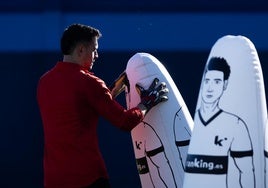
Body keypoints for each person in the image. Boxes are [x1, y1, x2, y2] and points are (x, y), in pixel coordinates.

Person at [37, 23, 168, 188]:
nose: (97, 56)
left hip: (54, 179)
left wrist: (112, 90)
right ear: (81, 50)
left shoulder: (44, 83)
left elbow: (78, 107)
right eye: (94, 50)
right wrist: (147, 102)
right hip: (88, 178)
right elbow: (124, 122)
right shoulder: (89, 83)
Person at [184, 57, 255, 188]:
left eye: (217, 82)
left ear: (225, 84)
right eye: (207, 81)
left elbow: (247, 173)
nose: (210, 88)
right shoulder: (188, 121)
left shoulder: (236, 125)